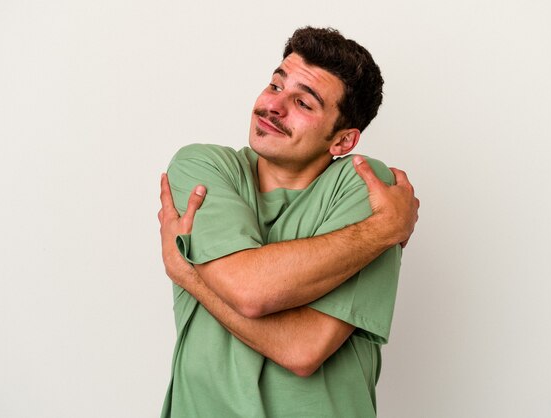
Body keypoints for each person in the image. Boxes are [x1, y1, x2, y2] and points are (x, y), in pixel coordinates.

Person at [157, 27, 419, 417]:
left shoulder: (367, 186)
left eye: (304, 103)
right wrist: (382, 230)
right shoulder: (202, 168)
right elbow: (251, 291)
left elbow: (301, 349)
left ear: (343, 142)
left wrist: (188, 274)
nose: (273, 107)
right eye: (276, 85)